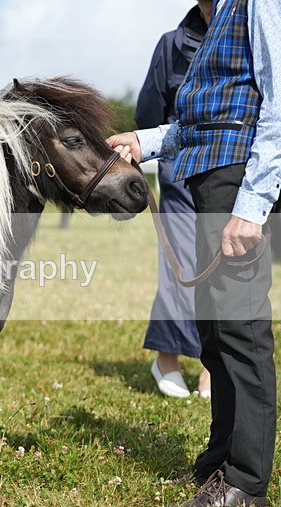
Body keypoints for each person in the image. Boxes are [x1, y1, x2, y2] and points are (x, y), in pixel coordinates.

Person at [108, 0, 280, 507]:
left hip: (236, 182)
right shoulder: (214, 17)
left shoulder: (260, 3)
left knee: (241, 329)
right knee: (214, 329)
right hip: (209, 178)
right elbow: (203, 122)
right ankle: (221, 462)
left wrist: (252, 205)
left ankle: (246, 480)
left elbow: (277, 106)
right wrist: (143, 140)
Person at [137, 1, 212, 399]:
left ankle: (209, 368)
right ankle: (166, 358)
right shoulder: (170, 45)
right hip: (180, 177)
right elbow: (149, 113)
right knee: (179, 265)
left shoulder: (249, 37)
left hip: (228, 173)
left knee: (220, 270)